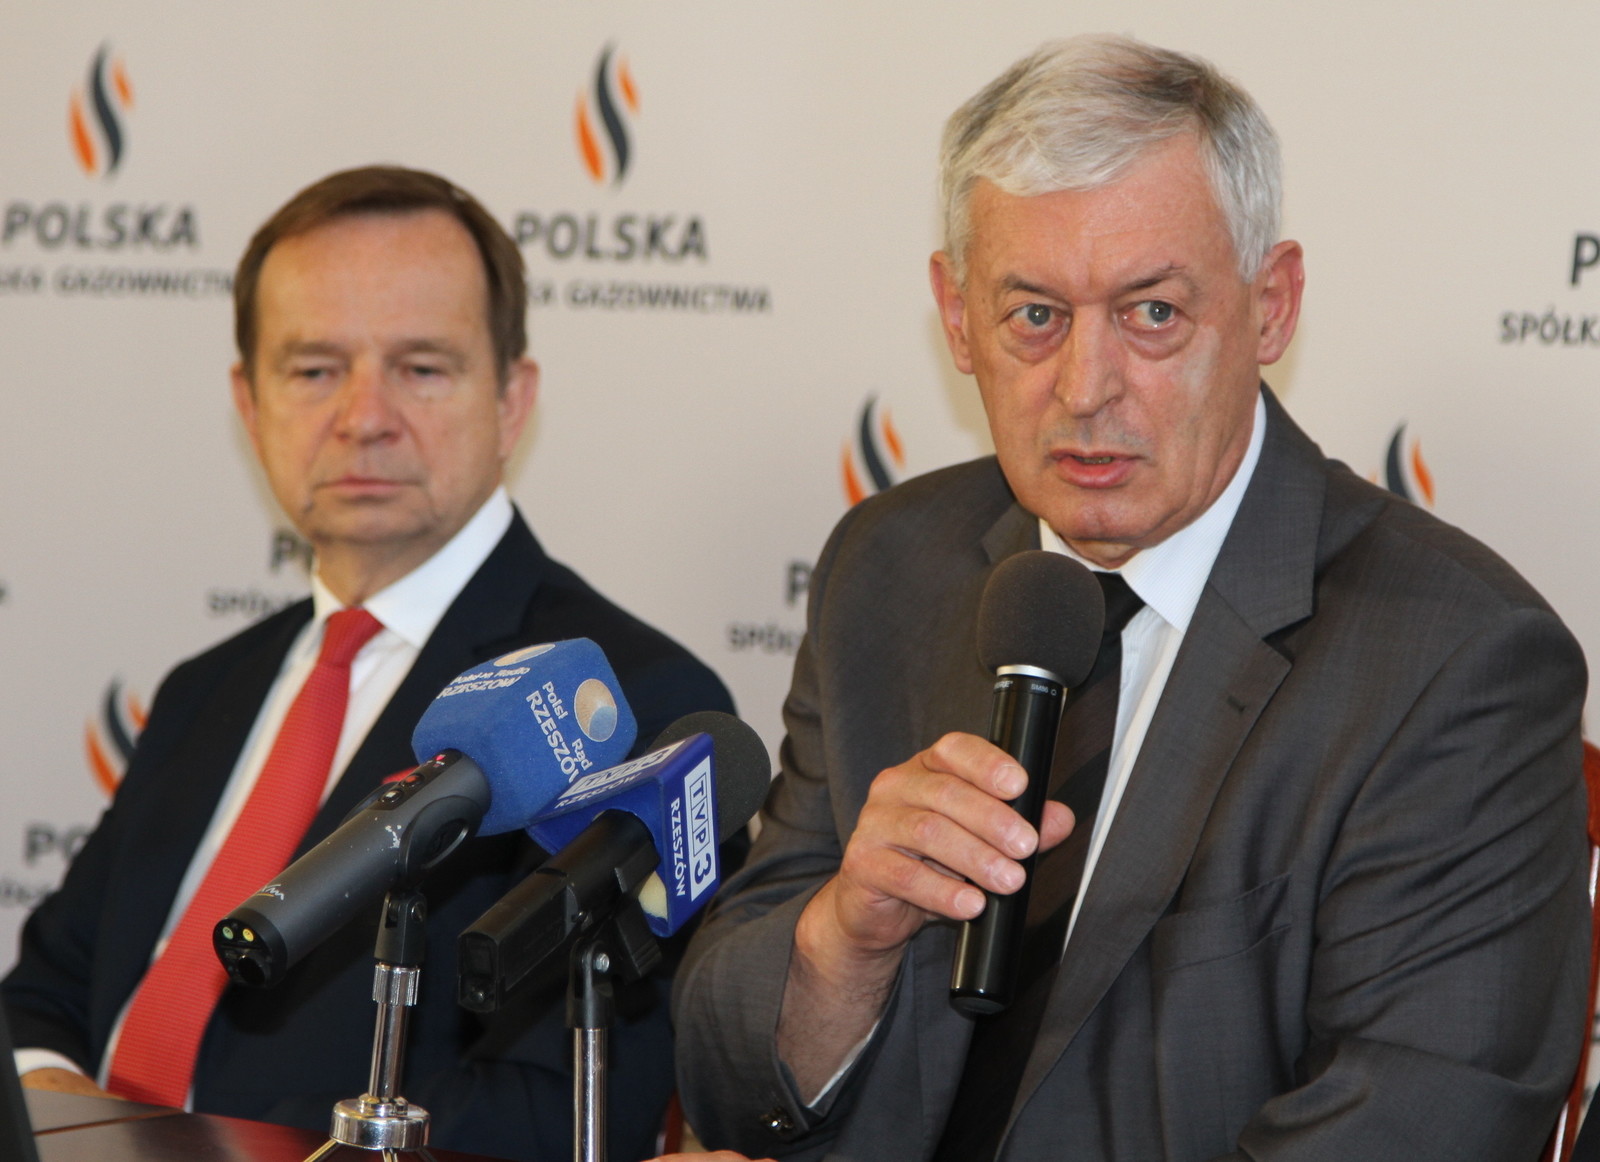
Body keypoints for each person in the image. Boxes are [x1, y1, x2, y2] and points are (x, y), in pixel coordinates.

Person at [669, 35, 1589, 1162]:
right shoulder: (891, 567)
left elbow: (1416, 1126)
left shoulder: (1454, 663)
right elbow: (724, 1084)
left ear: (1271, 306)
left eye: (1151, 313)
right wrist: (839, 943)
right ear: (956, 317)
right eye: (1034, 315)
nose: (1085, 388)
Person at [2, 165, 734, 1162]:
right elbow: (43, 993)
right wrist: (60, 1115)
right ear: (249, 403)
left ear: (511, 400)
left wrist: (178, 1147)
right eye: (313, 370)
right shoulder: (206, 687)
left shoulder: (619, 703)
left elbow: (548, 1112)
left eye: (421, 367)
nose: (363, 415)